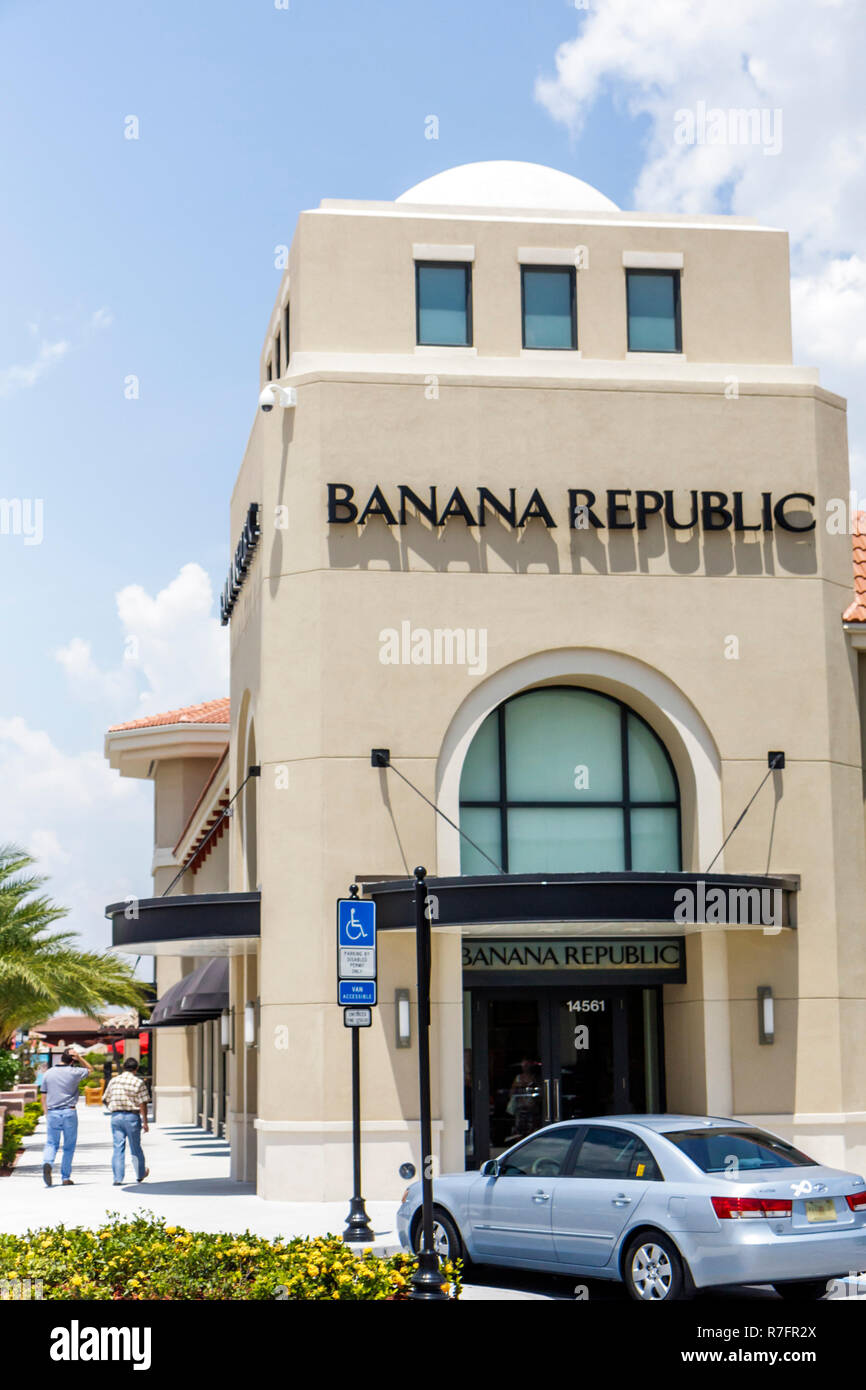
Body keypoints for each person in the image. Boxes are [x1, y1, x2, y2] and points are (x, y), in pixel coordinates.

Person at [39, 1048, 93, 1186]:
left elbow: (43, 1095)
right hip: (69, 1112)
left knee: (51, 1143)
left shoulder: (48, 1073)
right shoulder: (75, 1072)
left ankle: (47, 1162)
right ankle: (65, 1177)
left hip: (52, 1112)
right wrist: (80, 1058)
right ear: (73, 1060)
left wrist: (46, 1112)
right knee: (69, 1146)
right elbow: (90, 1069)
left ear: (61, 1058)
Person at [103, 1057, 150, 1185]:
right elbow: (143, 1103)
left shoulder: (114, 1081)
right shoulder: (138, 1082)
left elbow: (106, 1098)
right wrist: (145, 1122)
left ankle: (117, 1178)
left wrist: (114, 1109)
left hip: (116, 1116)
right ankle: (140, 1174)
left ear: (124, 1067)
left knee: (118, 1147)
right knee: (135, 1147)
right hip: (132, 1117)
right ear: (136, 1069)